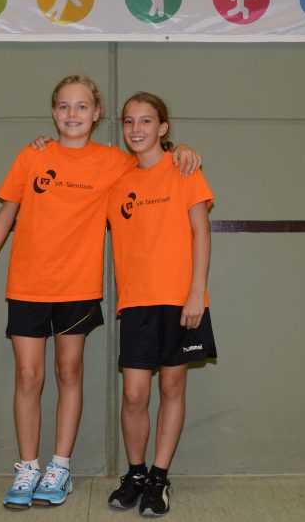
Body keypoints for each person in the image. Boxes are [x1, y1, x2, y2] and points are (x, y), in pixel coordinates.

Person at [0, 75, 200, 510]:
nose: (72, 114)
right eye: (63, 106)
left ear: (96, 113)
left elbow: (152, 157)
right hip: (27, 285)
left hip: (77, 287)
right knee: (28, 376)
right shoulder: (33, 155)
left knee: (69, 371)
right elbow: (7, 213)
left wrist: (181, 149)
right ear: (53, 112)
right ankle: (27, 467)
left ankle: (59, 468)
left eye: (81, 106)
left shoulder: (114, 162)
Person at [105, 92, 216, 517]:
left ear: (163, 128)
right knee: (134, 394)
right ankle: (135, 475)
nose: (136, 129)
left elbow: (201, 232)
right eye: (129, 121)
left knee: (171, 387)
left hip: (180, 300)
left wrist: (196, 293)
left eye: (146, 120)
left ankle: (159, 477)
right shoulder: (118, 179)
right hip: (137, 302)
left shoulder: (183, 168)